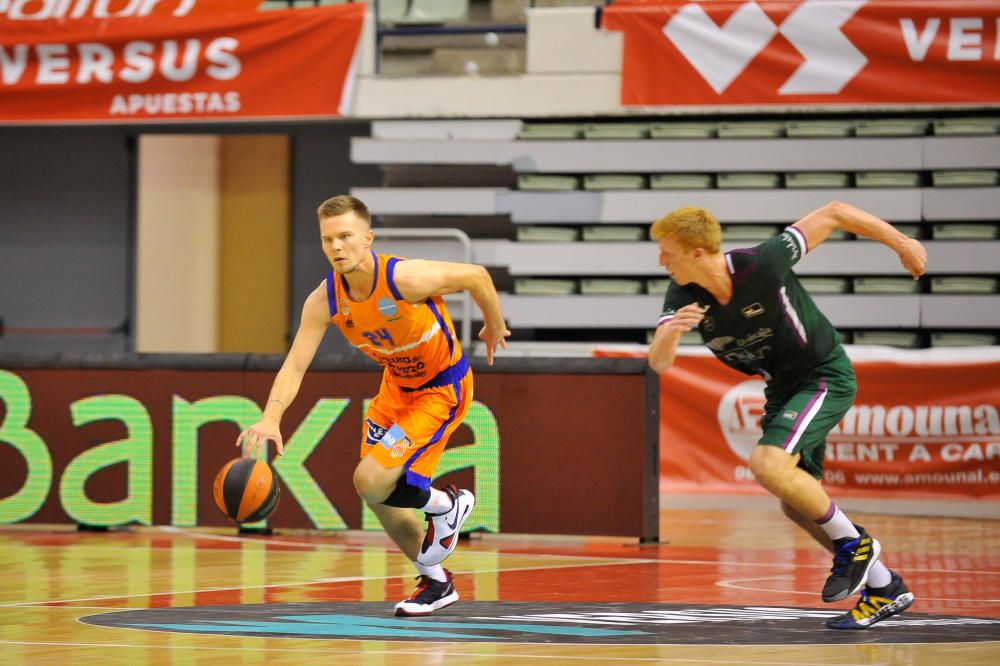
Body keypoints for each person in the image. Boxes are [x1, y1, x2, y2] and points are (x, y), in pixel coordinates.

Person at [648, 202, 926, 630]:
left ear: (697, 253)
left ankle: (855, 544)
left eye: (667, 251)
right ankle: (884, 586)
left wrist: (902, 243)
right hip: (781, 387)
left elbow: (833, 213)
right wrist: (668, 335)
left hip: (822, 374)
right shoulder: (684, 294)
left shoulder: (763, 262)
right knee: (797, 502)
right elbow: (660, 363)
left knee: (767, 464)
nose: (661, 261)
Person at [238, 194, 511, 616]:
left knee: (369, 479)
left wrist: (494, 324)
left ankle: (447, 505)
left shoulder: (405, 279)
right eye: (328, 239)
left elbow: (476, 275)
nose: (336, 247)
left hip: (441, 389)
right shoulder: (325, 299)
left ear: (368, 238)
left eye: (345, 236)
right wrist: (270, 417)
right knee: (378, 495)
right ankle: (437, 583)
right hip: (394, 392)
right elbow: (294, 366)